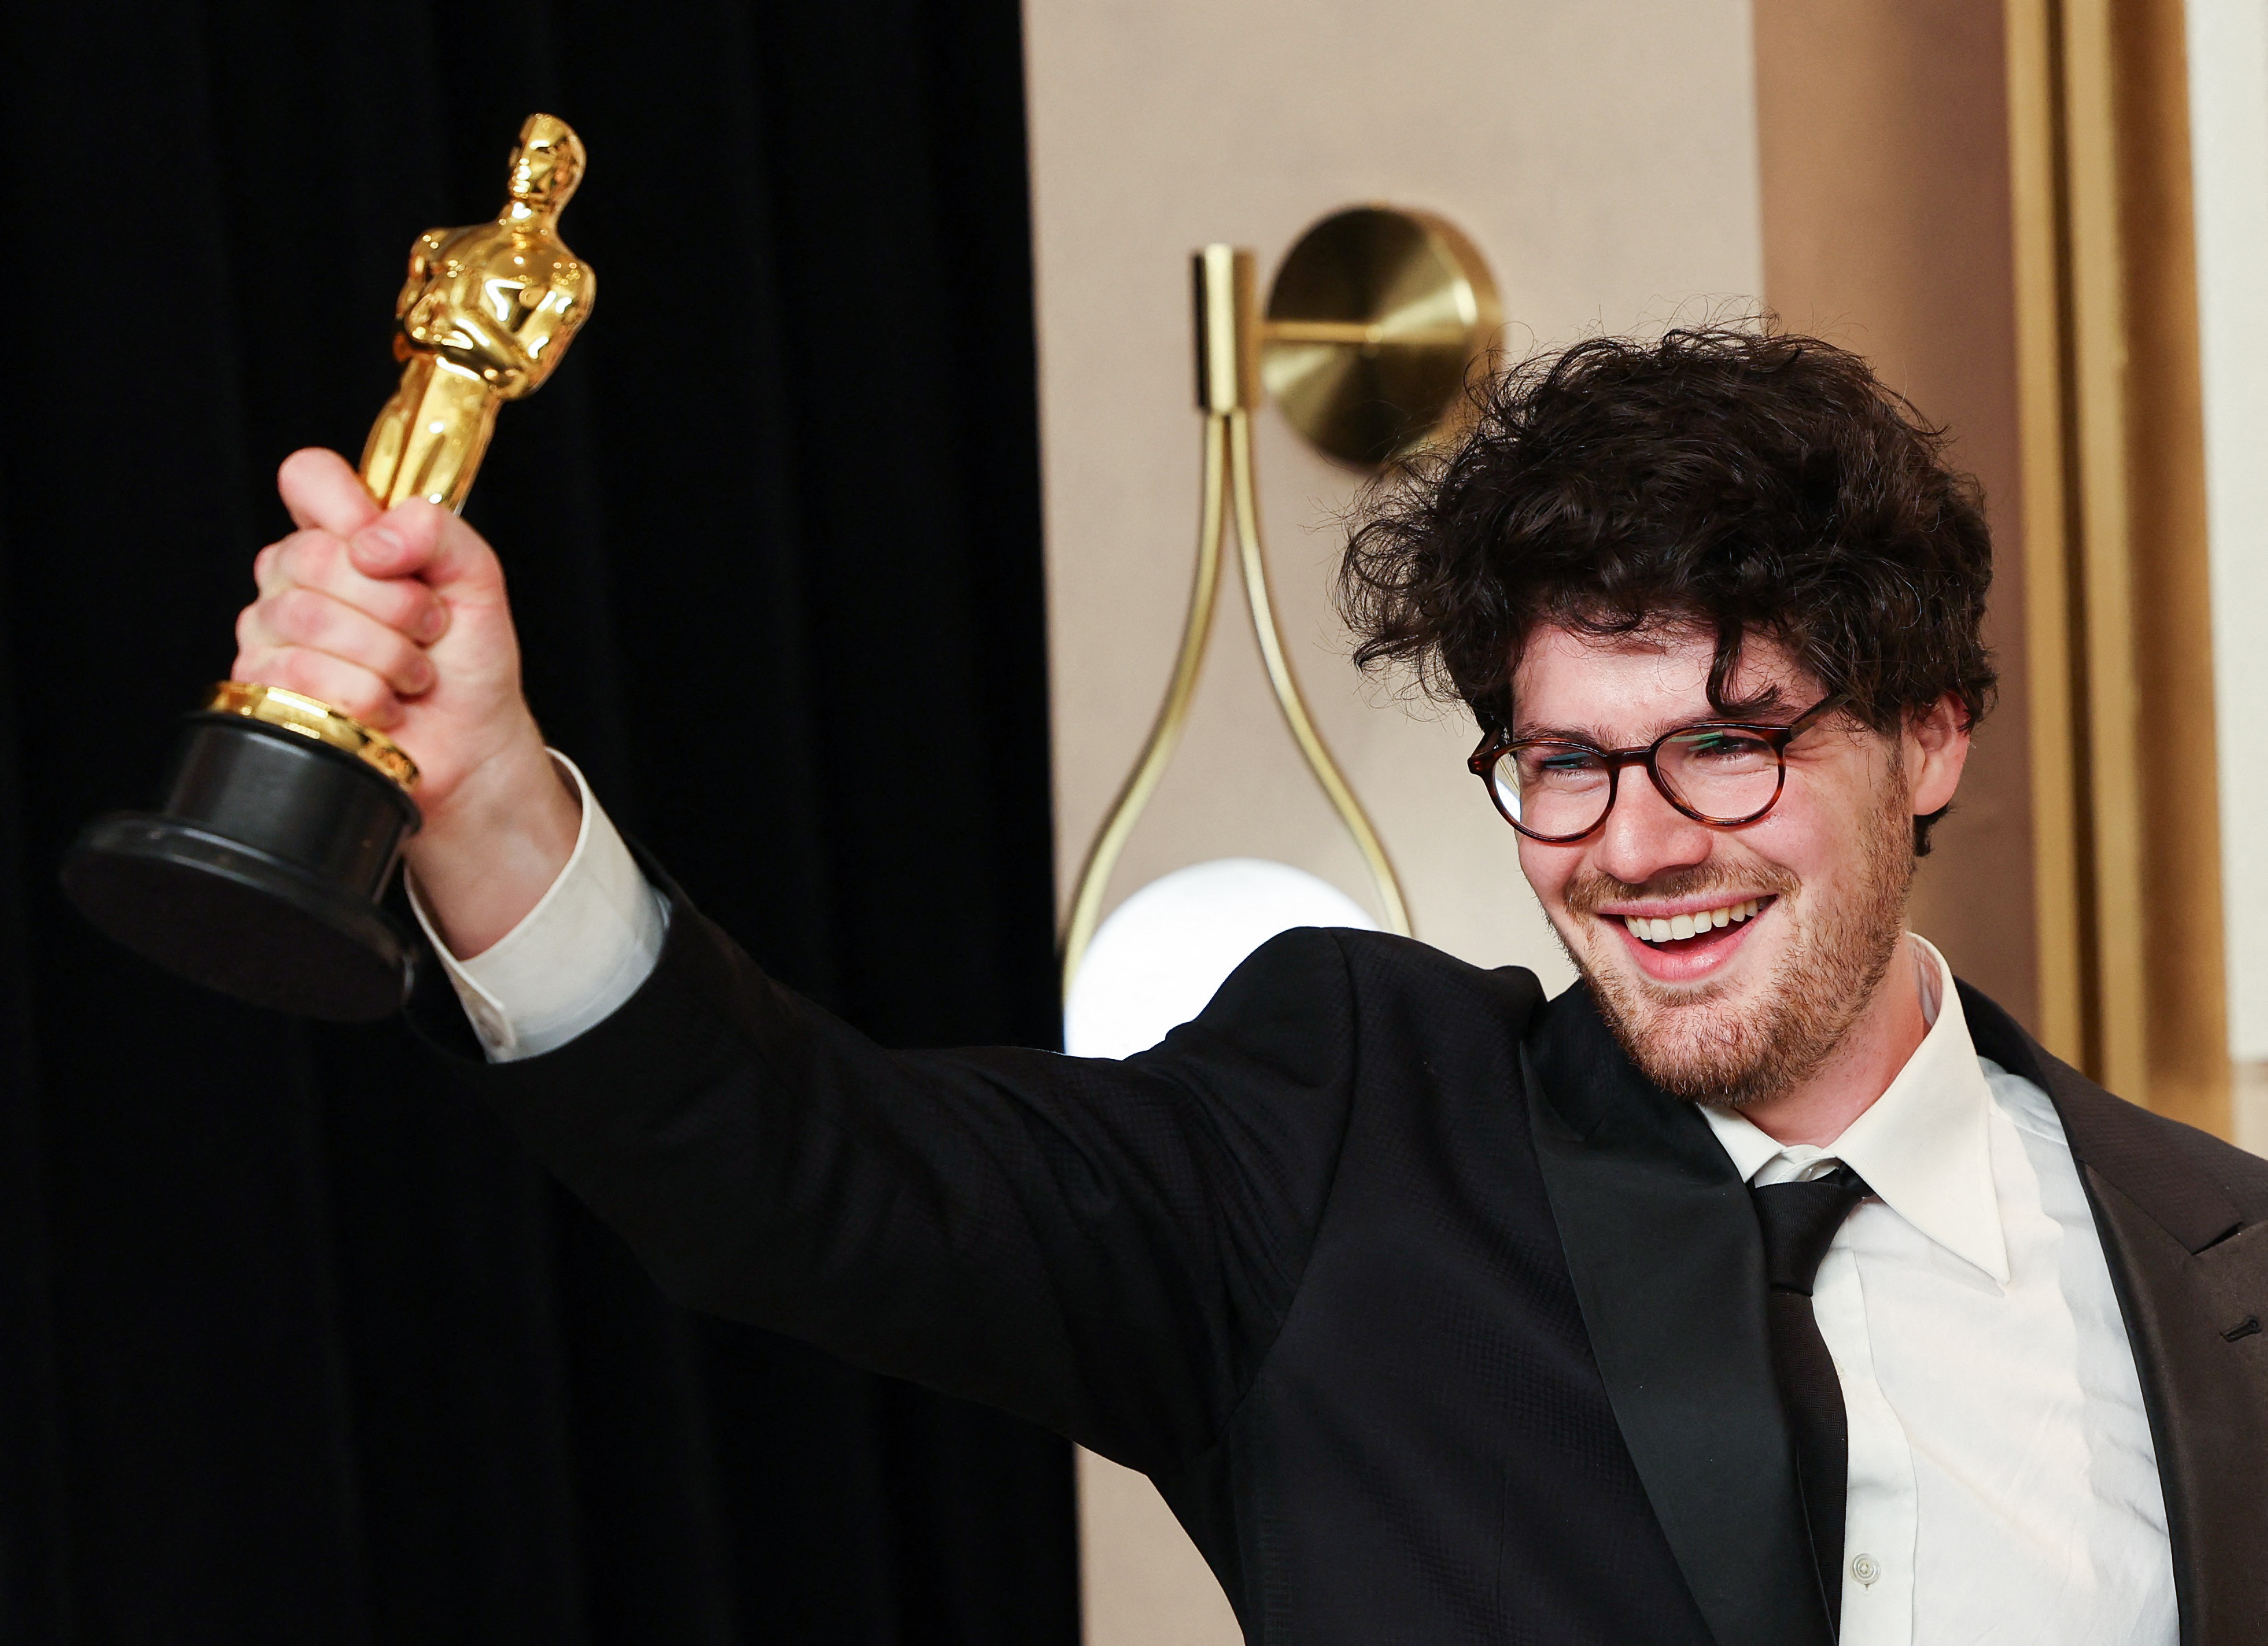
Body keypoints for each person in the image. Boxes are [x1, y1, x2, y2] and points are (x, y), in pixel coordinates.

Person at [230, 328, 2268, 1646]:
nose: (1635, 843)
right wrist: (487, 802)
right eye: (1563, 759)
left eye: (1729, 742)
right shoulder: (1341, 1133)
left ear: (1926, 739)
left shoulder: (2212, 1266)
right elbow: (806, 1173)